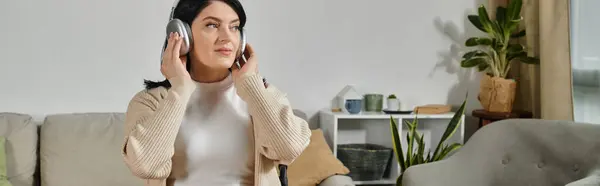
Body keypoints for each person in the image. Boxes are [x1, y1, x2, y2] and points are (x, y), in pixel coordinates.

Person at [120, 0, 311, 185]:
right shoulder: (150, 102)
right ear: (181, 35)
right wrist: (179, 89)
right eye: (212, 25)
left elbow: (288, 150)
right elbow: (146, 166)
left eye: (234, 27)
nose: (227, 37)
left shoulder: (262, 95)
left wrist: (251, 86)